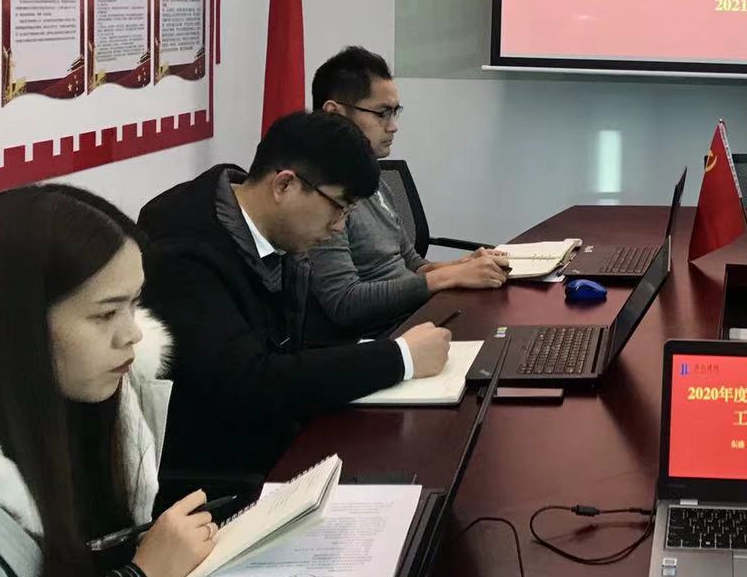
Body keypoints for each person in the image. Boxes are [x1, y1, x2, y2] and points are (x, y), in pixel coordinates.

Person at [138, 110, 452, 491]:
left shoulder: (270, 227)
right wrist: (399, 357)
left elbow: (291, 352)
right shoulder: (181, 252)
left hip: (280, 437)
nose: (340, 226)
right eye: (338, 206)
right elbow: (249, 382)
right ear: (284, 185)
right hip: (219, 476)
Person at [0, 184, 218, 577]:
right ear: (17, 327)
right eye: (106, 313)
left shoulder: (111, 399)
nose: (132, 334)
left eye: (134, 304)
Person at [304, 46, 509, 340]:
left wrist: (463, 266)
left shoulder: (374, 180)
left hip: (413, 317)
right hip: (378, 340)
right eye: (382, 113)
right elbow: (344, 303)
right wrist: (447, 277)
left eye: (395, 112)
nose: (393, 127)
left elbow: (410, 264)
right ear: (334, 113)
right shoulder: (318, 194)